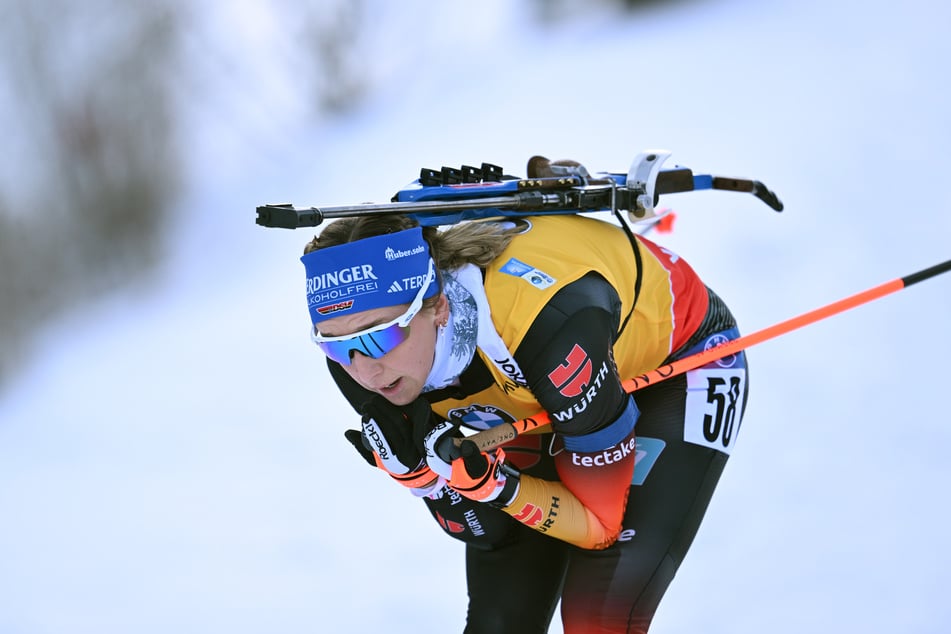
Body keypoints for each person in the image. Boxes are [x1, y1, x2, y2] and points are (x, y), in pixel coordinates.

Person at [298, 158, 749, 633]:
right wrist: (425, 481)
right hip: (540, 396)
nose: (363, 369)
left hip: (677, 363)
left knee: (598, 620)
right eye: (333, 344)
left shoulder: (545, 324)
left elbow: (598, 527)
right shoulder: (360, 363)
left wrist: (495, 487)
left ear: (438, 307)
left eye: (379, 336)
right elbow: (494, 536)